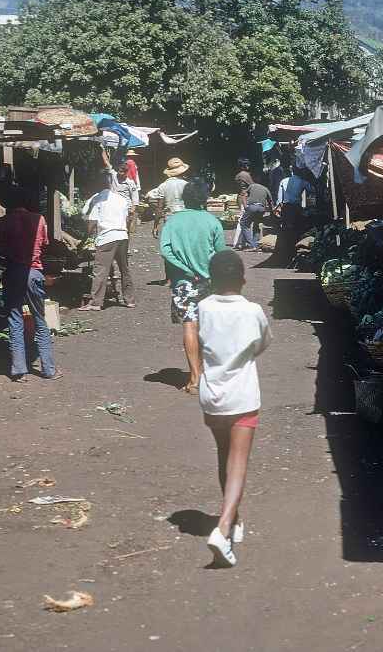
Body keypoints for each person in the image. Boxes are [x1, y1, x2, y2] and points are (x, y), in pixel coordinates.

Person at [198, 250, 272, 567]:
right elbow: (263, 343)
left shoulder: (203, 307)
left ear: (212, 278)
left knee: (223, 456)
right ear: (242, 278)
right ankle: (224, 527)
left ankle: (234, 518)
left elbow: (198, 343)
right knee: (238, 463)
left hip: (212, 395)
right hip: (242, 396)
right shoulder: (252, 310)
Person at [0, 186, 59, 383]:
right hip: (33, 272)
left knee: (14, 319)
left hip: (12, 272)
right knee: (40, 320)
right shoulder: (39, 219)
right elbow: (44, 245)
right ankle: (48, 369)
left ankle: (19, 371)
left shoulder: (2, 222)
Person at [159, 178, 226, 394]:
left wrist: (186, 270)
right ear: (204, 198)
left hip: (183, 283)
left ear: (185, 198)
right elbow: (221, 254)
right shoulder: (212, 221)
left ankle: (195, 378)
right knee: (208, 328)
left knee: (190, 325)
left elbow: (166, 251)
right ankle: (209, 375)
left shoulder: (173, 221)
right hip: (210, 282)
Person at [79, 148, 136, 311]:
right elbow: (127, 219)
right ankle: (130, 299)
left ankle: (96, 302)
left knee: (100, 270)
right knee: (125, 268)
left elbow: (90, 222)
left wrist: (85, 239)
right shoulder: (121, 199)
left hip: (107, 238)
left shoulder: (97, 199)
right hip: (122, 236)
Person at [275, 167, 310, 264]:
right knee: (296, 231)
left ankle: (286, 253)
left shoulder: (284, 180)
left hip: (286, 208)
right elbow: (311, 189)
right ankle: (293, 252)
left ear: (292, 171)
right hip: (296, 207)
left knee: (286, 230)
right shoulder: (302, 181)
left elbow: (279, 198)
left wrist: (279, 207)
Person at [238, 180, 273, 251]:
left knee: (244, 223)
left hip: (252, 207)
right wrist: (272, 213)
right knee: (256, 225)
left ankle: (251, 245)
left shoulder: (252, 186)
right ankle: (256, 245)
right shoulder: (266, 189)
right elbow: (270, 202)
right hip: (261, 209)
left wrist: (245, 206)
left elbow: (244, 195)